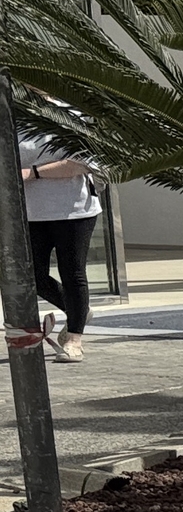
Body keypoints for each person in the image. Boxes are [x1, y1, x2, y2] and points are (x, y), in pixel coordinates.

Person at [15, 137, 100, 362]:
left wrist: (32, 173)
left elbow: (82, 163)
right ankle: (79, 311)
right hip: (30, 213)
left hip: (73, 210)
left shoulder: (72, 120)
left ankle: (74, 340)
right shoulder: (13, 122)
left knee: (72, 272)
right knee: (31, 275)